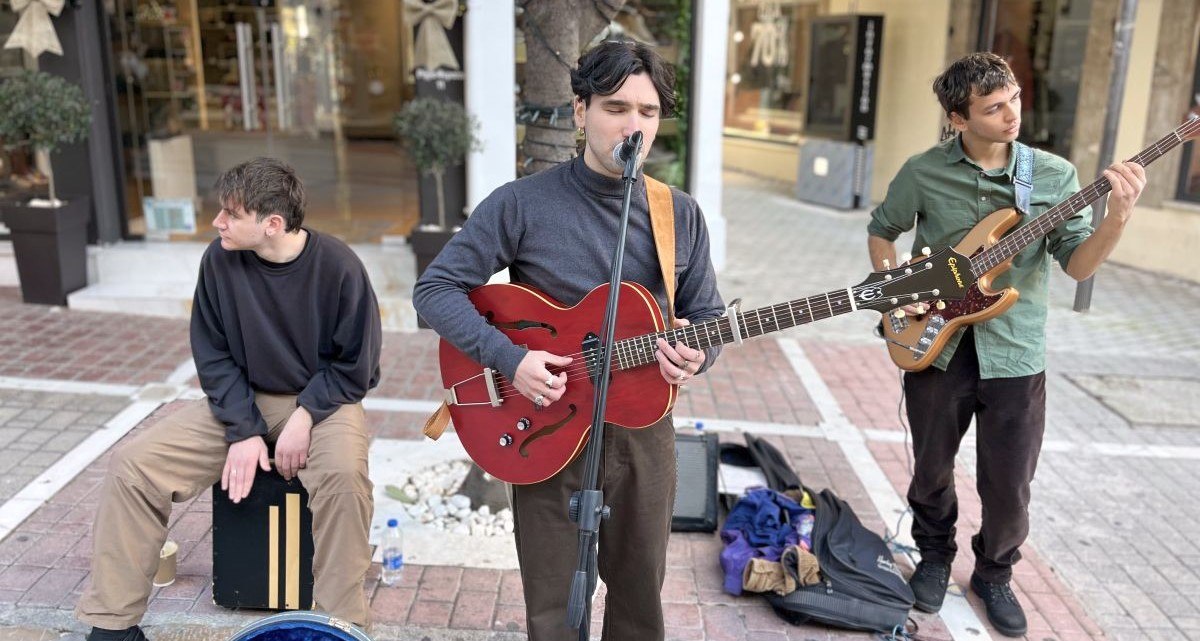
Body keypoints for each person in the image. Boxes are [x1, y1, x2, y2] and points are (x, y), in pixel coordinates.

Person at [413, 40, 725, 641]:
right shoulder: (521, 203)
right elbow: (436, 289)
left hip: (642, 431)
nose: (633, 125)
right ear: (581, 112)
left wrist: (698, 354)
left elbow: (707, 314)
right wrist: (510, 359)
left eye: (648, 111)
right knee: (553, 605)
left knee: (640, 599)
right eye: (616, 107)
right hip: (546, 422)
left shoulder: (679, 214)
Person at [866, 52, 1145, 637]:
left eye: (1014, 98)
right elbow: (882, 231)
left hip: (1016, 353)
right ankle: (935, 555)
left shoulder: (1054, 176)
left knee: (1010, 485)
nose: (1012, 113)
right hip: (937, 349)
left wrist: (1116, 218)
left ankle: (994, 573)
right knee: (931, 469)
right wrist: (897, 296)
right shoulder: (923, 171)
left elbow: (1077, 265)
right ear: (957, 119)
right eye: (993, 108)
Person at [76, 157, 382, 641]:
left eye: (231, 214)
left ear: (272, 224)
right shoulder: (219, 261)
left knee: (344, 480)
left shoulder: (339, 266)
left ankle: (339, 628)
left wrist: (305, 416)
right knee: (133, 467)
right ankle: (113, 627)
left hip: (325, 402)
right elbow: (213, 355)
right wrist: (244, 430)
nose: (217, 222)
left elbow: (356, 367)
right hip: (244, 399)